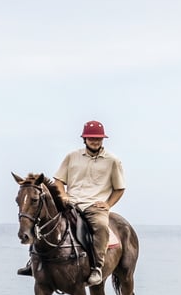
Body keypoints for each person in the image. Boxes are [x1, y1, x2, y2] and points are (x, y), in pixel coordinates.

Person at [27, 120, 125, 286]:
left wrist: (108, 205)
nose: (95, 141)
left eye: (99, 138)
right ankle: (33, 262)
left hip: (94, 207)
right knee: (44, 220)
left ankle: (96, 267)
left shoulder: (112, 160)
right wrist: (63, 195)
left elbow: (119, 188)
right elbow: (58, 180)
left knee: (101, 226)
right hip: (71, 203)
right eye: (91, 138)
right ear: (84, 139)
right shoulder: (72, 156)